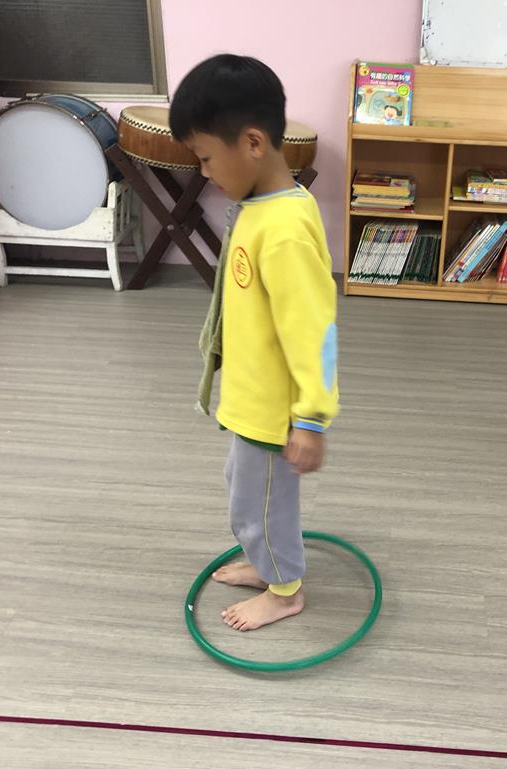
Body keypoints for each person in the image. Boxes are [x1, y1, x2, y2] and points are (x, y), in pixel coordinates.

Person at [169, 54, 339, 629]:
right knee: (245, 492)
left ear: (253, 143)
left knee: (261, 504)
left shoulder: (284, 231)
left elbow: (315, 332)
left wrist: (310, 420)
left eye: (205, 157)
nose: (204, 172)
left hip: (274, 410)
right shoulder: (261, 208)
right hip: (250, 397)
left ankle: (284, 590)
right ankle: (267, 564)